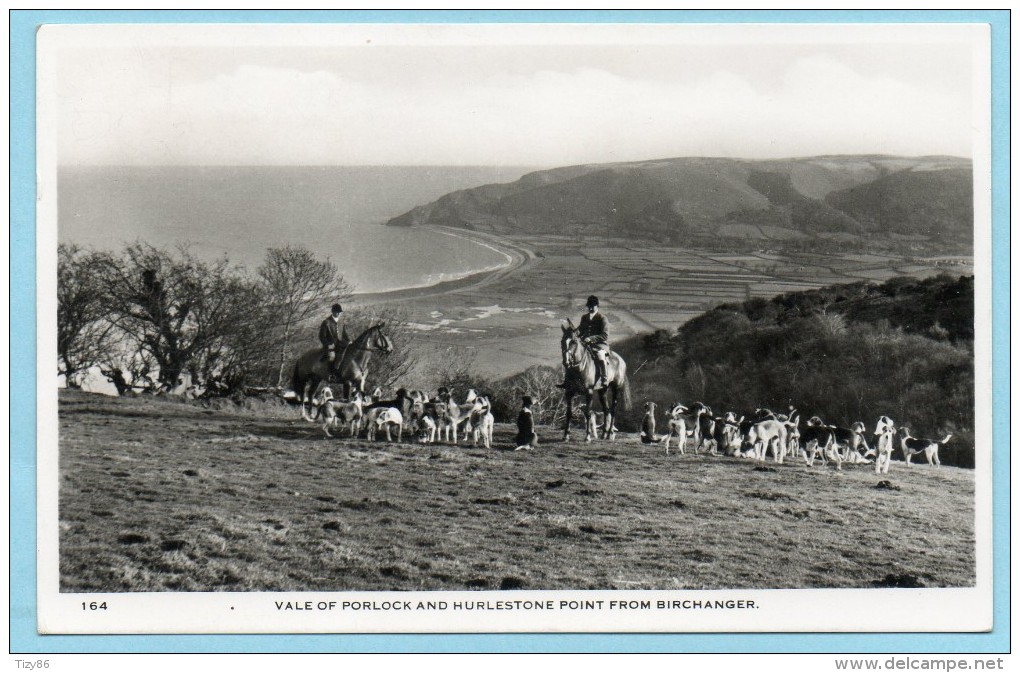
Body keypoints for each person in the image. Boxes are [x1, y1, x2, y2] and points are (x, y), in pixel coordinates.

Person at [577, 294, 610, 389]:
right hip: (586, 345)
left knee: (600, 355)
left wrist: (590, 338)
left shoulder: (602, 318)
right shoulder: (584, 317)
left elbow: (605, 335)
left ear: (597, 306)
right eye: (589, 306)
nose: (590, 308)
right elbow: (581, 331)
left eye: (593, 306)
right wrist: (575, 333)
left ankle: (604, 378)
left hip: (600, 345)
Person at [318, 303, 349, 376]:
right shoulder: (326, 322)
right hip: (331, 345)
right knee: (332, 357)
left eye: (339, 312)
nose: (338, 314)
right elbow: (321, 336)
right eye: (337, 312)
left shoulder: (341, 322)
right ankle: (331, 374)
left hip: (341, 344)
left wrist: (349, 340)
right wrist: (327, 344)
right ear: (333, 312)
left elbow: (344, 333)